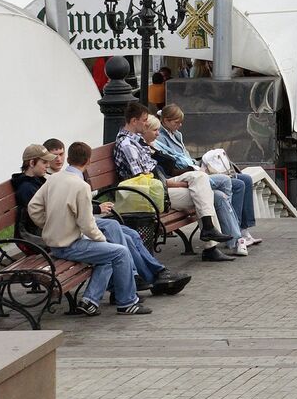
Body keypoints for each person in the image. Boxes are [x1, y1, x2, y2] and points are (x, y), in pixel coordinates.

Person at [28, 141, 152, 316]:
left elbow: (33, 207)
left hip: (55, 243)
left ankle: (90, 301)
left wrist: (49, 224)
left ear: (69, 159)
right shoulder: (81, 186)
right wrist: (103, 240)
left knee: (107, 257)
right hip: (69, 246)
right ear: (88, 161)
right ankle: (127, 302)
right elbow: (87, 224)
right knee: (120, 252)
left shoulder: (54, 178)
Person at [115, 103, 241, 253]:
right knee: (208, 194)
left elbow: (152, 172)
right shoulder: (128, 144)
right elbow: (142, 179)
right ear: (134, 121)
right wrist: (178, 185)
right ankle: (211, 247)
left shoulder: (136, 141)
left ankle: (208, 229)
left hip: (157, 184)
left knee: (200, 178)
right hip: (147, 193)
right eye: (144, 120)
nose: (146, 123)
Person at [155, 105, 260, 250]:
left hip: (192, 171)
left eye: (180, 122)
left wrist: (199, 165)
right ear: (165, 121)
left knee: (245, 180)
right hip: (182, 176)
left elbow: (185, 157)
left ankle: (241, 229)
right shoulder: (158, 137)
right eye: (176, 122)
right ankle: (235, 233)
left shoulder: (176, 134)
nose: (180, 125)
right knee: (229, 188)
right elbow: (173, 163)